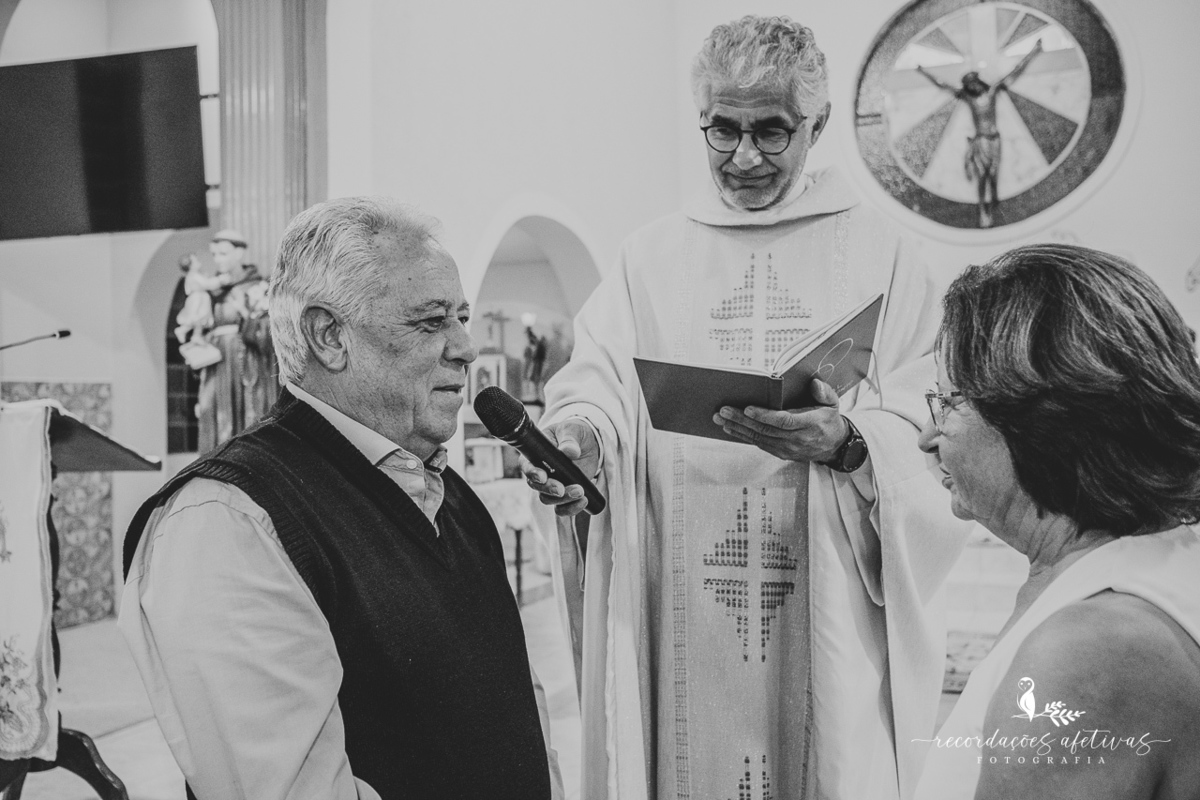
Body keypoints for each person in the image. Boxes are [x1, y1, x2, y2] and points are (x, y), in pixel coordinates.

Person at [525, 16, 970, 800]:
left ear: (818, 125)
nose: (744, 156)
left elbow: (931, 403)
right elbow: (598, 379)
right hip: (682, 591)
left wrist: (853, 441)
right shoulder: (651, 256)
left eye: (771, 131)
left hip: (831, 593)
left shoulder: (885, 253)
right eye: (721, 130)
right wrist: (584, 438)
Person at [120, 197, 563, 800]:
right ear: (330, 335)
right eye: (432, 322)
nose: (466, 347)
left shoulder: (451, 494)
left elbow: (514, 701)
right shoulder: (229, 521)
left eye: (462, 317)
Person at [914, 244, 1200, 799]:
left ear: (1038, 417)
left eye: (948, 402)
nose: (927, 437)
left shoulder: (1091, 651)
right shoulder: (1141, 570)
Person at [915, 40, 1043, 228]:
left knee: (994, 174)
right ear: (967, 87)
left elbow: (1016, 70)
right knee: (982, 175)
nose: (972, 86)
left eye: (973, 82)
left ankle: (993, 205)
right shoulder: (968, 98)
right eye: (969, 84)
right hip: (981, 140)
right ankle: (983, 207)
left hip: (995, 139)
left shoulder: (991, 92)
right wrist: (924, 71)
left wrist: (1034, 50)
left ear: (978, 81)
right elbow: (943, 85)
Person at [195, 229, 278, 451]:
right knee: (213, 415)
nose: (218, 260)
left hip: (247, 366)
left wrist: (246, 316)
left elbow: (271, 335)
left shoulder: (257, 288)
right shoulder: (212, 293)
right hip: (216, 368)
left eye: (223, 253)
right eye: (214, 255)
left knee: (248, 418)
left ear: (240, 253)